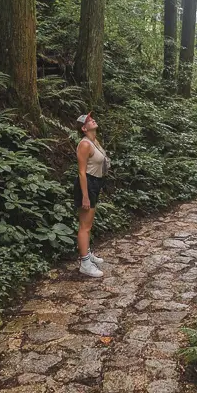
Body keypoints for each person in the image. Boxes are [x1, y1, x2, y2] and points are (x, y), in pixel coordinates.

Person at [74, 113, 110, 278]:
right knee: (85, 226)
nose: (92, 120)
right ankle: (85, 263)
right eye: (88, 121)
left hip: (94, 184)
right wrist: (85, 196)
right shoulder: (84, 145)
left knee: (88, 224)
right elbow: (81, 172)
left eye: (92, 119)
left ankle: (87, 253)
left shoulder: (94, 141)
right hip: (86, 184)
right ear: (83, 128)